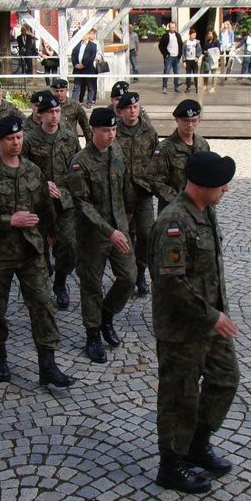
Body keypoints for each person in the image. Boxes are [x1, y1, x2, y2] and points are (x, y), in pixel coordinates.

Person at [150, 151, 239, 494]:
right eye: (221, 185)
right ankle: (170, 466)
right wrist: (213, 315)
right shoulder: (173, 222)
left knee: (225, 379)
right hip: (182, 327)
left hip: (210, 321)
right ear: (202, 186)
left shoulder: (206, 210)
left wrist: (217, 313)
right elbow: (171, 284)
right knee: (180, 397)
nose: (226, 189)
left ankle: (197, 445)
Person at [0, 115, 74, 387]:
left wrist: (50, 235)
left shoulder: (33, 171)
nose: (16, 143)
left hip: (30, 251)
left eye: (19, 138)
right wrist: (7, 220)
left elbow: (44, 207)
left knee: (43, 305)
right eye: (10, 139)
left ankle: (47, 364)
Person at [67, 107, 137, 364]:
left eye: (113, 130)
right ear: (93, 131)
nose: (111, 135)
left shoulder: (116, 151)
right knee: (92, 286)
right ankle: (92, 335)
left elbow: (125, 184)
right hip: (93, 235)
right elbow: (82, 204)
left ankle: (107, 315)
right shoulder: (79, 162)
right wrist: (109, 232)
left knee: (129, 277)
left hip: (120, 228)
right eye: (106, 130)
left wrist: (129, 214)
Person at [22, 93, 81, 309]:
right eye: (50, 112)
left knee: (69, 245)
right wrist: (42, 183)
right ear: (41, 114)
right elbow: (22, 169)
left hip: (64, 202)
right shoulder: (29, 139)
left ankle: (60, 283)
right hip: (38, 202)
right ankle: (43, 280)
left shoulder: (69, 137)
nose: (55, 116)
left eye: (58, 112)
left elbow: (78, 167)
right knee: (39, 248)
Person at [115, 91, 159, 296]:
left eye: (136, 107)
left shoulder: (148, 131)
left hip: (142, 192)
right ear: (121, 111)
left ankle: (141, 271)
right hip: (120, 194)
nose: (133, 111)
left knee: (146, 234)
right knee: (123, 235)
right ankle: (126, 274)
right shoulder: (114, 131)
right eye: (129, 108)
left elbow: (155, 159)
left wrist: (151, 182)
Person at [148, 99, 210, 213]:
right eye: (186, 121)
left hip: (200, 208)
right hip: (173, 210)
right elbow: (155, 181)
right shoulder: (165, 148)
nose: (190, 125)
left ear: (199, 120)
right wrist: (180, 200)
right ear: (177, 120)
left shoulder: (203, 145)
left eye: (193, 120)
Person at [51, 78, 91, 144]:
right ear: (53, 91)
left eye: (61, 91)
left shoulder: (74, 105)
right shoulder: (48, 106)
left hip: (71, 144)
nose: (59, 93)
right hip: (53, 144)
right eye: (56, 91)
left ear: (66, 90)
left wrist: (89, 143)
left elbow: (85, 125)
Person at [71, 30, 98, 107]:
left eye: (84, 34)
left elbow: (91, 57)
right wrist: (75, 64)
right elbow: (73, 55)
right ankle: (74, 103)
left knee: (90, 86)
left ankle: (89, 102)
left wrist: (84, 65)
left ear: (88, 35)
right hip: (77, 69)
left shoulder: (93, 46)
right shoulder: (77, 45)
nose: (82, 36)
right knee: (76, 86)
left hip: (88, 69)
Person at [159, 21, 183, 94]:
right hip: (169, 57)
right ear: (169, 27)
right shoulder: (165, 35)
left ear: (175, 27)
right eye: (171, 28)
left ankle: (176, 87)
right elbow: (161, 46)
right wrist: (166, 54)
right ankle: (165, 87)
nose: (172, 29)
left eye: (173, 28)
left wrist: (180, 55)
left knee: (177, 72)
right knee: (166, 72)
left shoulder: (178, 35)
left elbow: (181, 45)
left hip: (176, 57)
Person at [183, 28, 202, 93]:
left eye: (195, 35)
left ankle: (197, 87)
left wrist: (197, 56)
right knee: (188, 75)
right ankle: (188, 87)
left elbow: (199, 50)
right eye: (193, 35)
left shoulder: (197, 42)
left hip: (194, 61)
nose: (194, 36)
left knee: (195, 75)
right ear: (190, 35)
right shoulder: (186, 42)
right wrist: (184, 61)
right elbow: (183, 52)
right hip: (188, 60)